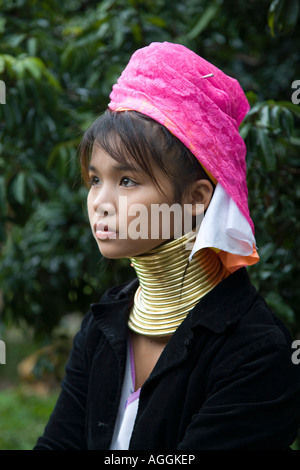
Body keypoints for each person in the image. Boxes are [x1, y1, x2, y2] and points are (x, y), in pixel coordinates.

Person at [34, 42, 300, 450]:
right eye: (94, 179)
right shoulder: (103, 327)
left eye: (126, 181)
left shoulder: (255, 353)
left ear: (197, 198)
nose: (100, 203)